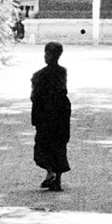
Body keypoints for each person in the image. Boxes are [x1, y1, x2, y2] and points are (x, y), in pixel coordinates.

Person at [30, 41, 71, 191]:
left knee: (44, 146)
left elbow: (35, 97)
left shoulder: (39, 75)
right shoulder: (62, 72)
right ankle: (55, 177)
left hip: (46, 115)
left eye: (48, 54)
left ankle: (51, 174)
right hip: (60, 113)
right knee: (59, 146)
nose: (46, 57)